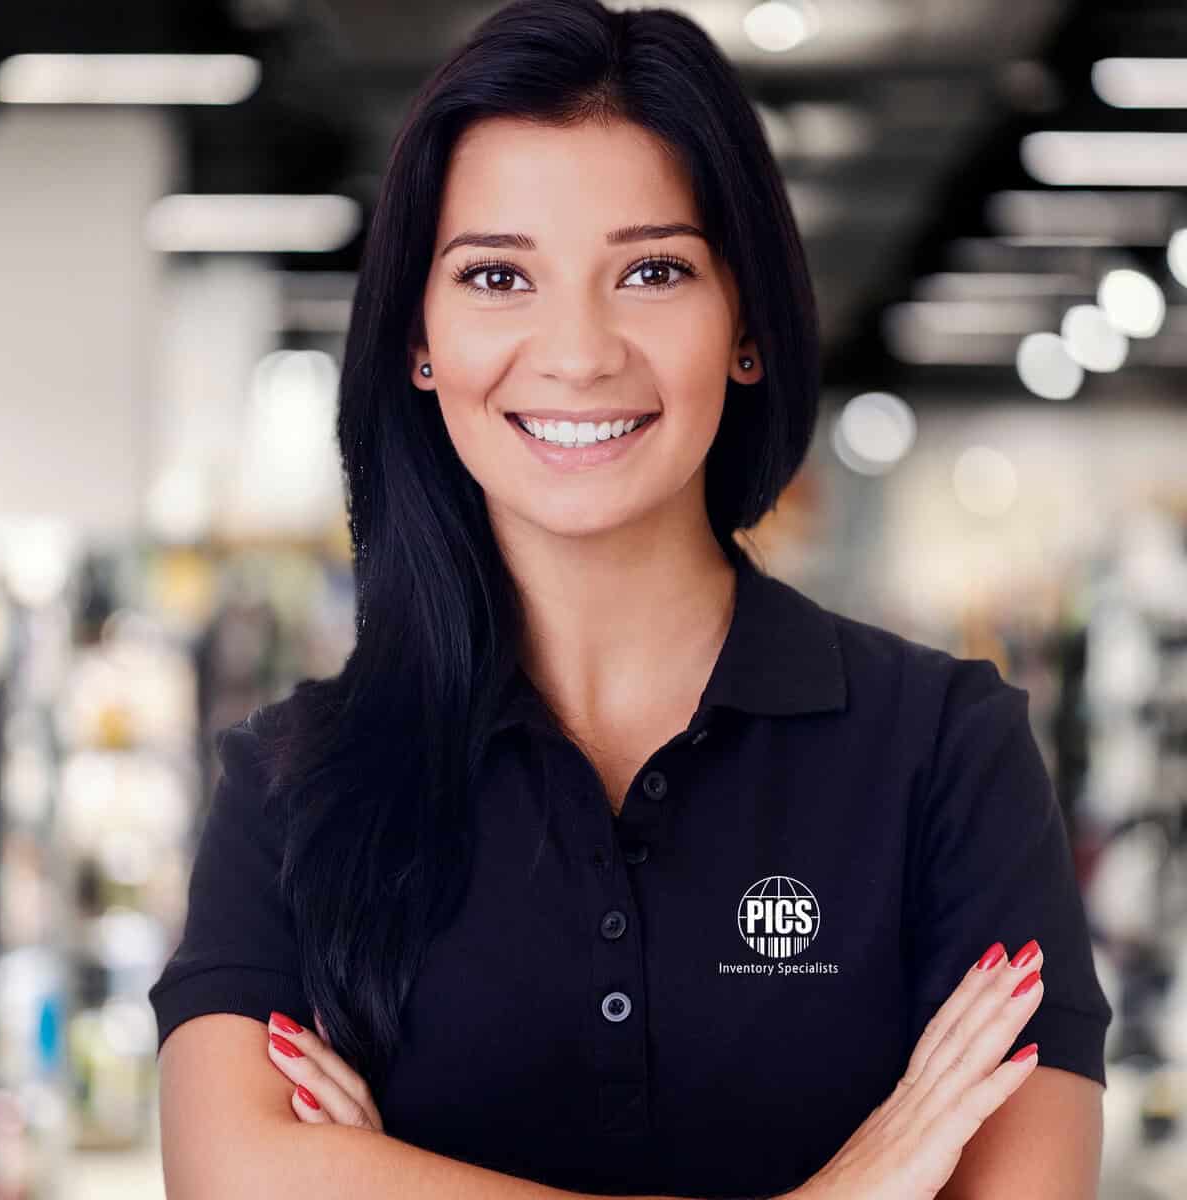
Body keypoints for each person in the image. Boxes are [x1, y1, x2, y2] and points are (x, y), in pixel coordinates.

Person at [149, 1, 1112, 1197]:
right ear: (419, 339)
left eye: (652, 270)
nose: (577, 351)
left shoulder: (947, 755)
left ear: (746, 324)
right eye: (498, 275)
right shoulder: (293, 785)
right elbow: (232, 1177)